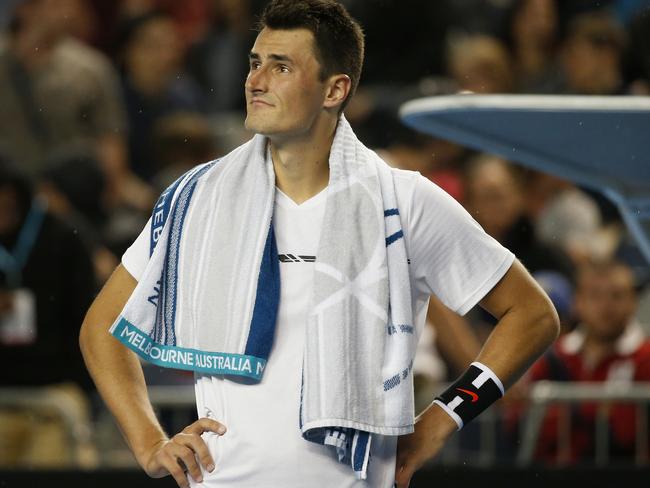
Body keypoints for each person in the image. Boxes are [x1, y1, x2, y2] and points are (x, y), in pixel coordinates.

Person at [79, 1, 559, 487]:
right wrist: (149, 442)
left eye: (281, 66)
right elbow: (102, 327)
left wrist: (442, 419)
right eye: (254, 62)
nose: (256, 80)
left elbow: (533, 314)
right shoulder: (198, 198)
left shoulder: (403, 200)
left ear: (335, 89)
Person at [522, 260, 650, 463]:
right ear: (578, 302)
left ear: (633, 301)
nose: (606, 306)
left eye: (616, 296)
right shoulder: (555, 354)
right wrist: (600, 412)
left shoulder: (645, 357)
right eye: (595, 296)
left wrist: (566, 412)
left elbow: (629, 432)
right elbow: (521, 422)